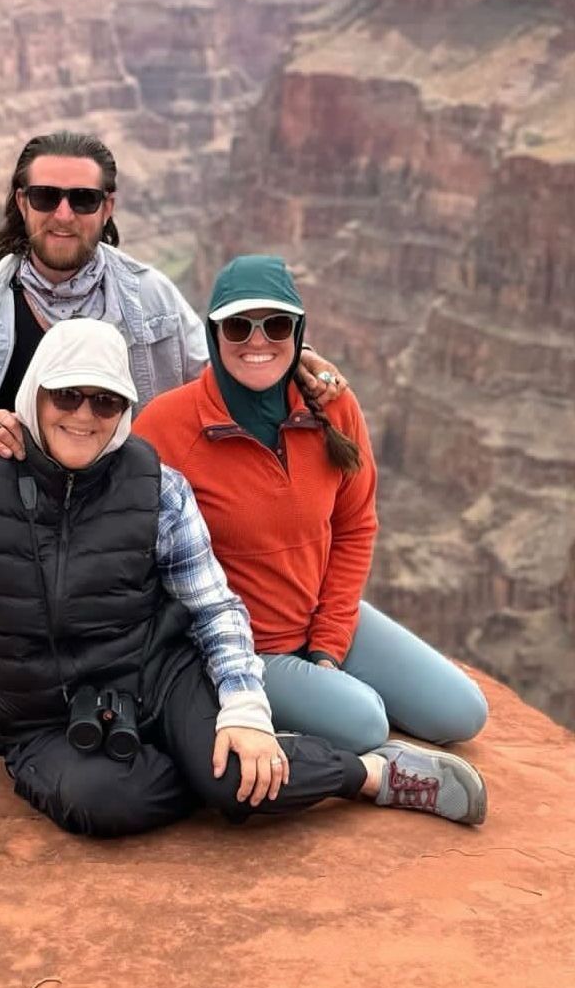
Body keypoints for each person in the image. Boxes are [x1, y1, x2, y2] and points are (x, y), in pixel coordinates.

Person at [0, 319, 488, 835]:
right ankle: (233, 772)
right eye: (67, 394)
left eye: (105, 399)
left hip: (158, 676)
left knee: (239, 773)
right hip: (43, 717)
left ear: (123, 407)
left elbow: (215, 608)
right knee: (102, 802)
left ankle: (372, 775)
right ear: (34, 391)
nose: (84, 414)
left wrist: (243, 707)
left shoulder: (157, 487)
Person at [0, 130, 345, 566]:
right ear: (22, 202)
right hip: (11, 531)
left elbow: (217, 373)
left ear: (107, 208)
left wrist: (291, 357)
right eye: (47, 197)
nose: (64, 215)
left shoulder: (149, 295)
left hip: (130, 524)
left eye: (84, 200)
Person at [132, 255, 489, 756]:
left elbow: (355, 527)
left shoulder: (334, 406)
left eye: (275, 325)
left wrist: (330, 640)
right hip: (245, 649)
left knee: (463, 713)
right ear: (214, 334)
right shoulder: (168, 426)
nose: (257, 341)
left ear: (298, 333)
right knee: (364, 723)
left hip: (323, 613)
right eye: (238, 326)